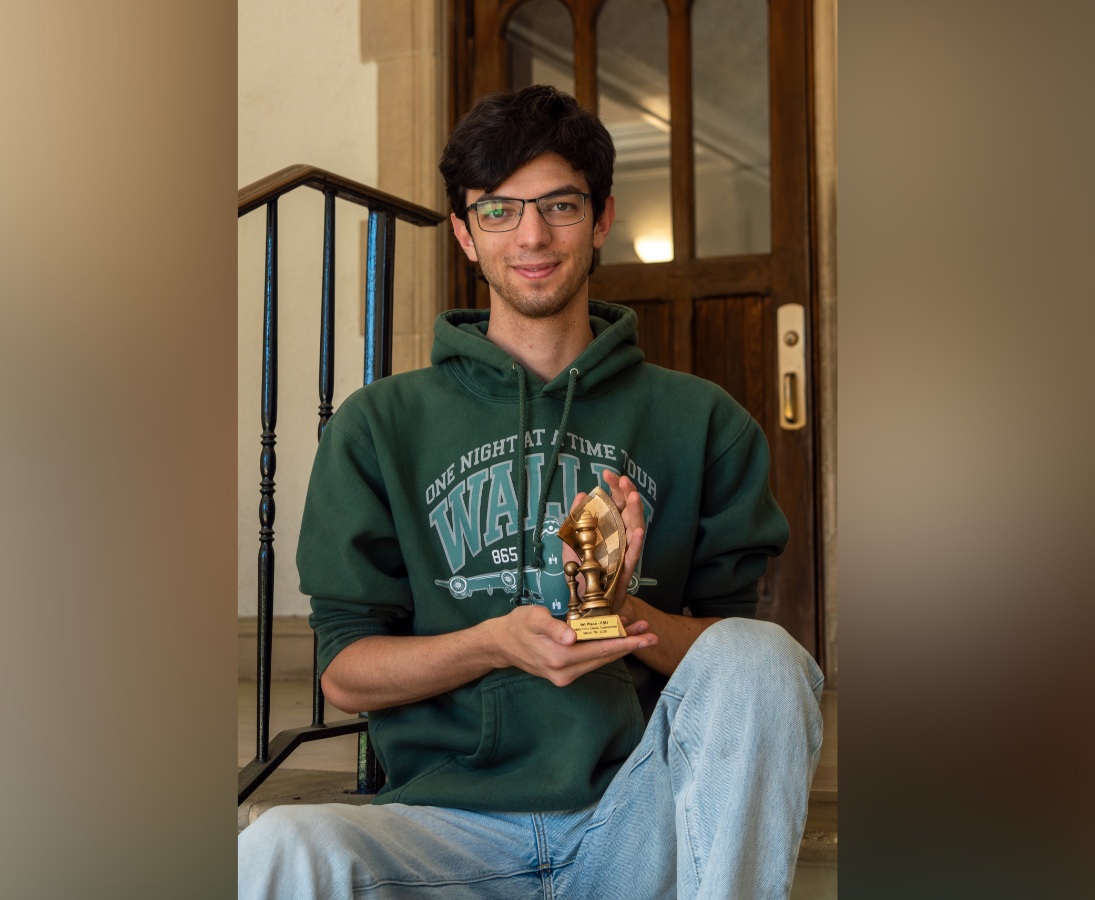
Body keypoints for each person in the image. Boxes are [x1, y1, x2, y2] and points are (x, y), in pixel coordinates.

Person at [238, 84, 824, 900]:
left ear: (602, 217)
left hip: (640, 820)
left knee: (765, 657)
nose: (533, 237)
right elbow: (343, 671)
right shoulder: (380, 425)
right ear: (463, 235)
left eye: (559, 205)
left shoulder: (702, 422)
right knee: (278, 846)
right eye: (498, 211)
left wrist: (623, 617)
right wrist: (494, 642)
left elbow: (736, 677)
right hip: (442, 831)